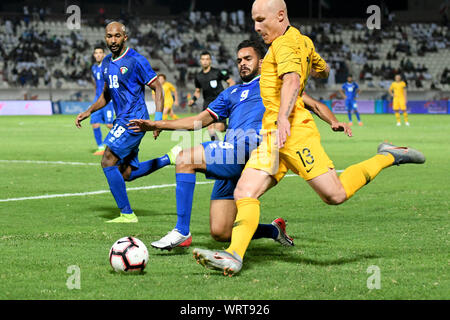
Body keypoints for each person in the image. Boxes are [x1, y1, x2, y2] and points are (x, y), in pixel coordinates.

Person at [191, 0, 426, 276]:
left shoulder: (284, 45)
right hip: (271, 134)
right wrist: (310, 75)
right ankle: (234, 255)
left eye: (260, 20)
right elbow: (323, 70)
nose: (256, 27)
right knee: (245, 191)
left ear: (280, 16)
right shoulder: (302, 41)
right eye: (254, 20)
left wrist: (282, 118)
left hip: (293, 132)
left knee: (334, 195)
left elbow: (291, 80)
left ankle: (388, 155)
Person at [128, 40, 294, 250]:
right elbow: (197, 121)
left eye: (248, 59)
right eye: (239, 60)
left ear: (262, 62)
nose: (242, 63)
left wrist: (333, 121)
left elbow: (304, 99)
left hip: (250, 153)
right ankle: (273, 231)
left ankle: (181, 231)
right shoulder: (230, 93)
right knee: (221, 232)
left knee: (185, 158)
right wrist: (155, 123)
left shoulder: (274, 85)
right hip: (231, 154)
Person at [75, 21, 178, 223]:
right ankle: (169, 158)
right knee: (126, 173)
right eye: (109, 36)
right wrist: (88, 111)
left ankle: (127, 214)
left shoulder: (136, 60)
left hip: (134, 120)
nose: (112, 40)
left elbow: (157, 87)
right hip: (121, 119)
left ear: (125, 37)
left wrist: (157, 121)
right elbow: (106, 95)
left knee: (107, 160)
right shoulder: (105, 63)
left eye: (117, 36)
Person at [188, 51, 235, 141]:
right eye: (203, 59)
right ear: (200, 61)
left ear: (210, 61)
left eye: (207, 59)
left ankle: (228, 127)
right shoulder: (198, 76)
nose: (205, 61)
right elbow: (198, 91)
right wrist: (193, 100)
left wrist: (228, 95)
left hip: (220, 102)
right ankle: (216, 145)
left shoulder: (217, 72)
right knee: (209, 127)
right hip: (207, 103)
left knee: (219, 127)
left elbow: (231, 82)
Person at [90, 46, 115, 155]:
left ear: (104, 54)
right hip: (97, 100)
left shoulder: (108, 67)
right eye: (96, 53)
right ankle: (100, 148)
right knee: (95, 123)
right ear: (94, 55)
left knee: (109, 125)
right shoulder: (94, 68)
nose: (98, 55)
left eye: (100, 53)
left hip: (107, 100)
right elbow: (96, 83)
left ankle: (121, 143)